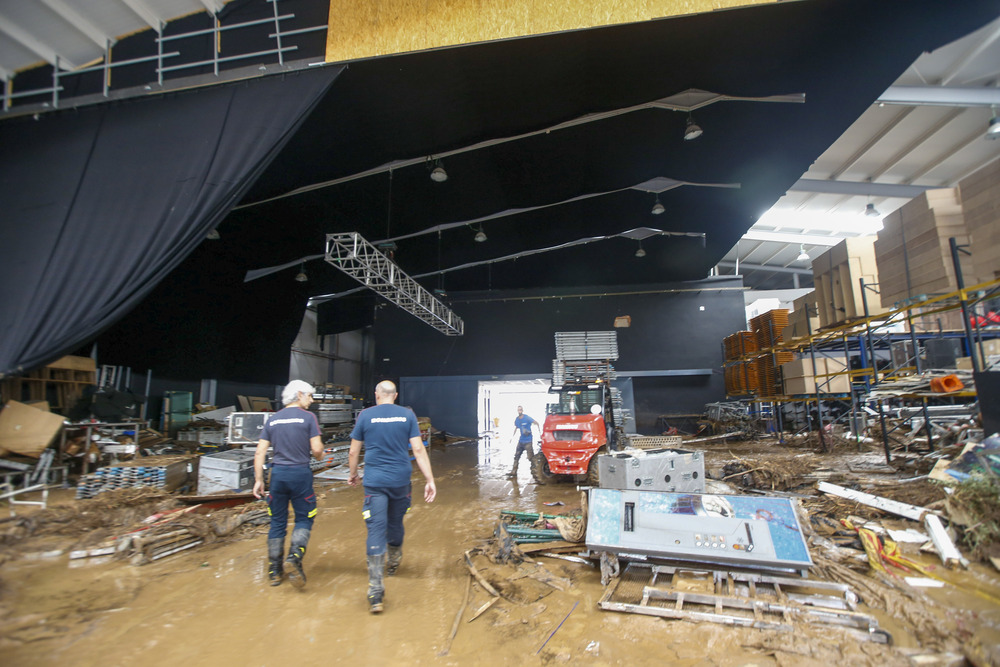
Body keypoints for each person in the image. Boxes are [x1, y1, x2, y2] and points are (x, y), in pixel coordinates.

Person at [349, 380, 436, 614]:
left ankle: (375, 592)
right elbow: (418, 450)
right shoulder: (407, 416)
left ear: (376, 394)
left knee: (376, 529)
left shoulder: (365, 416)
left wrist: (353, 474)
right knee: (395, 522)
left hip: (375, 482)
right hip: (400, 481)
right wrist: (430, 480)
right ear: (395, 395)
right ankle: (394, 562)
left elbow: (353, 451)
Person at [253, 380, 323, 589]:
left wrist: (258, 480)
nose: (311, 401)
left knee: (277, 522)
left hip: (278, 475)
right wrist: (319, 454)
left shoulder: (273, 420)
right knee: (305, 517)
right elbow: (317, 450)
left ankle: (274, 571)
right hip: (300, 474)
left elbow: (259, 453)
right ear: (299, 394)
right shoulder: (308, 418)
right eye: (309, 396)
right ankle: (294, 556)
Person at [509, 405, 538, 478]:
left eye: (521, 410)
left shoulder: (527, 418)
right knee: (516, 456)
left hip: (528, 441)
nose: (520, 411)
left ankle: (537, 471)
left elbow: (536, 422)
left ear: (522, 410)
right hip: (521, 441)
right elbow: (516, 427)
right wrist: (511, 437)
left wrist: (536, 431)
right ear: (517, 411)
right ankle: (514, 471)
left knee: (531, 457)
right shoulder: (517, 419)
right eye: (518, 410)